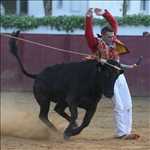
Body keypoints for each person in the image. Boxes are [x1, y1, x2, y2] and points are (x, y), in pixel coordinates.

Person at [85, 8, 140, 140]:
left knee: (128, 103)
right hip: (107, 77)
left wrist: (104, 13)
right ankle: (121, 133)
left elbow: (113, 23)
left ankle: (127, 131)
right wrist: (88, 18)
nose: (112, 38)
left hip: (119, 74)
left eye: (113, 36)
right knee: (119, 104)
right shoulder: (95, 44)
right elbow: (88, 34)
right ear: (102, 35)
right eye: (109, 37)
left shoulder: (113, 40)